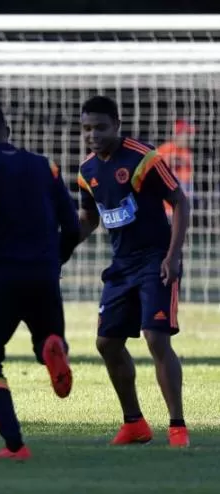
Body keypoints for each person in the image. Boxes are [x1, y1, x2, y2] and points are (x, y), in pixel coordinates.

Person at [0, 100, 79, 461]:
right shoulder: (46, 167)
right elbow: (72, 224)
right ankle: (51, 345)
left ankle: (15, 445)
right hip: (44, 272)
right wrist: (56, 257)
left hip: (1, 274)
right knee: (46, 337)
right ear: (8, 132)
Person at [77, 95, 190, 448]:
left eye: (100, 127)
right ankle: (135, 423)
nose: (93, 134)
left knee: (156, 337)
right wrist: (59, 250)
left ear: (117, 125)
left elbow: (179, 201)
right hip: (121, 266)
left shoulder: (144, 158)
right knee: (107, 342)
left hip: (155, 259)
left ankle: (177, 428)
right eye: (87, 128)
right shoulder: (88, 171)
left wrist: (173, 256)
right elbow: (90, 218)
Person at [157, 119, 195, 219]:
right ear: (178, 135)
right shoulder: (166, 149)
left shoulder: (187, 151)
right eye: (187, 134)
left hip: (185, 199)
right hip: (168, 205)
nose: (190, 137)